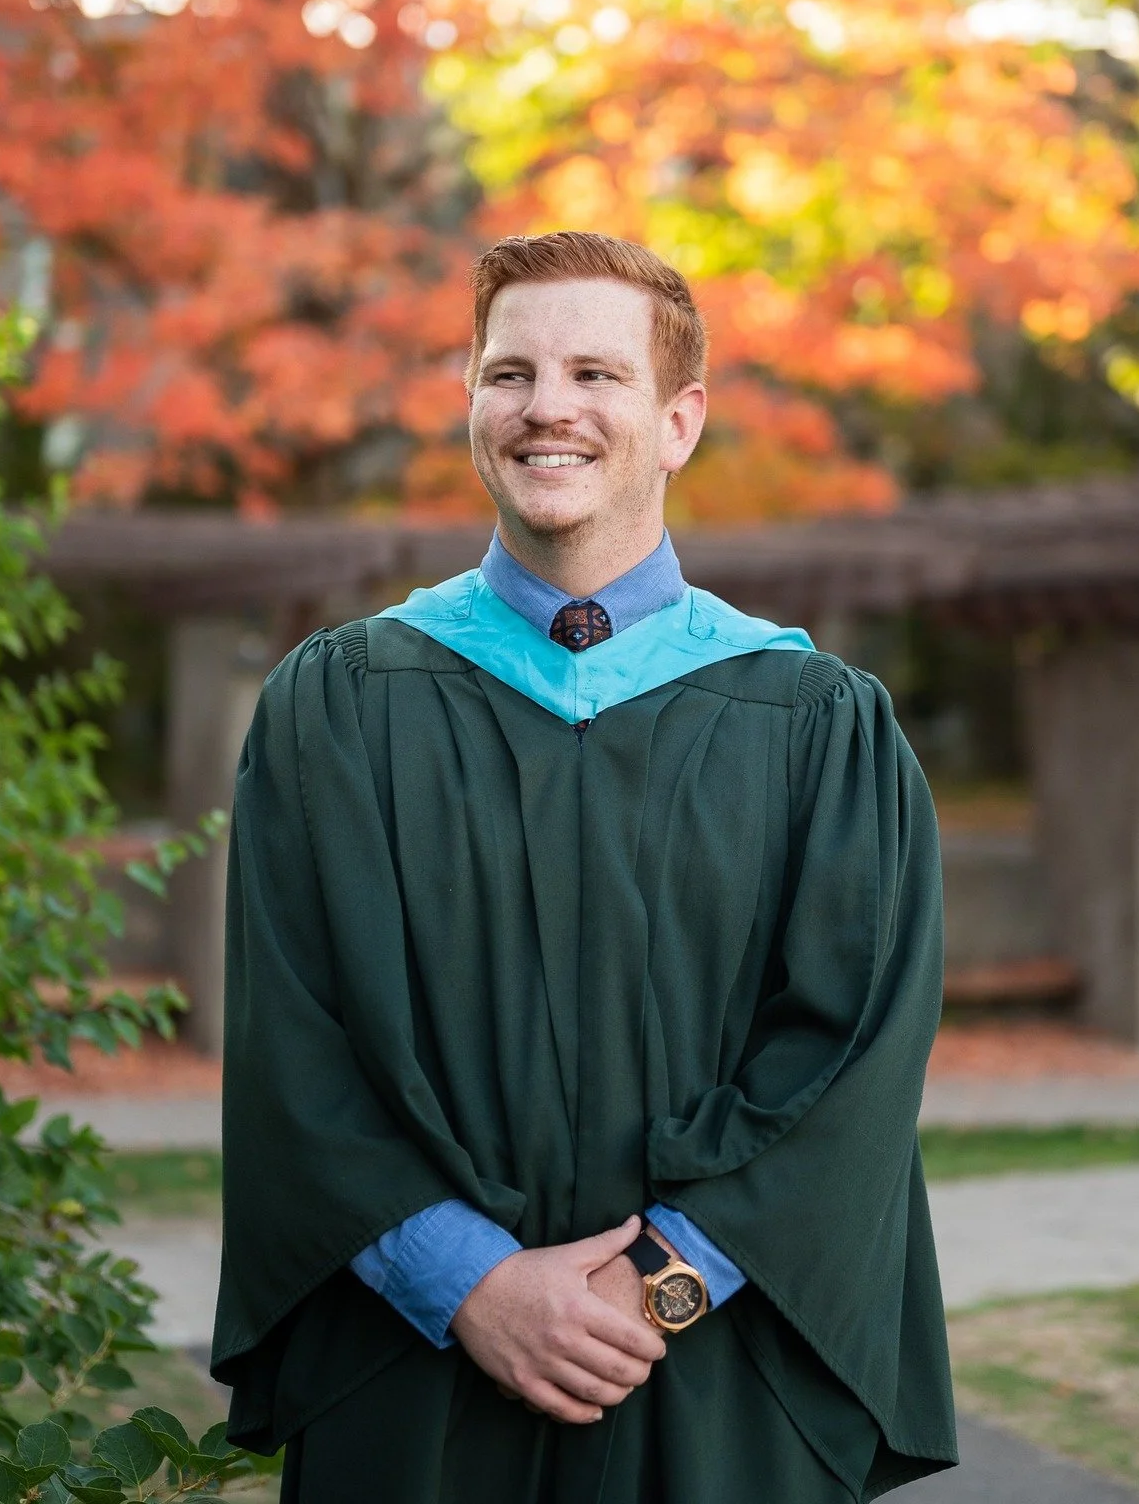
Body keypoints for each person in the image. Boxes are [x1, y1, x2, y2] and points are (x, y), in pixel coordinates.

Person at [211, 231, 958, 1503]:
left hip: (718, 1369)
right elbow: (295, 1043)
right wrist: (473, 1285)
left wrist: (657, 1283)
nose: (546, 407)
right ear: (472, 406)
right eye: (510, 375)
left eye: (596, 375)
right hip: (419, 1366)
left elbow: (853, 1052)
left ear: (680, 422)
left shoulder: (814, 722)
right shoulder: (339, 705)